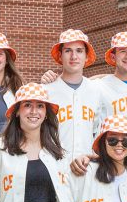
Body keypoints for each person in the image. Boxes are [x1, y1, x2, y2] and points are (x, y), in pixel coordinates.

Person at [42, 29, 103, 163]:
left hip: (87, 169)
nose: (74, 56)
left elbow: (97, 132)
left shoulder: (96, 90)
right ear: (60, 55)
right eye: (68, 50)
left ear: (86, 56)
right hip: (55, 168)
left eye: (79, 51)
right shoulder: (46, 91)